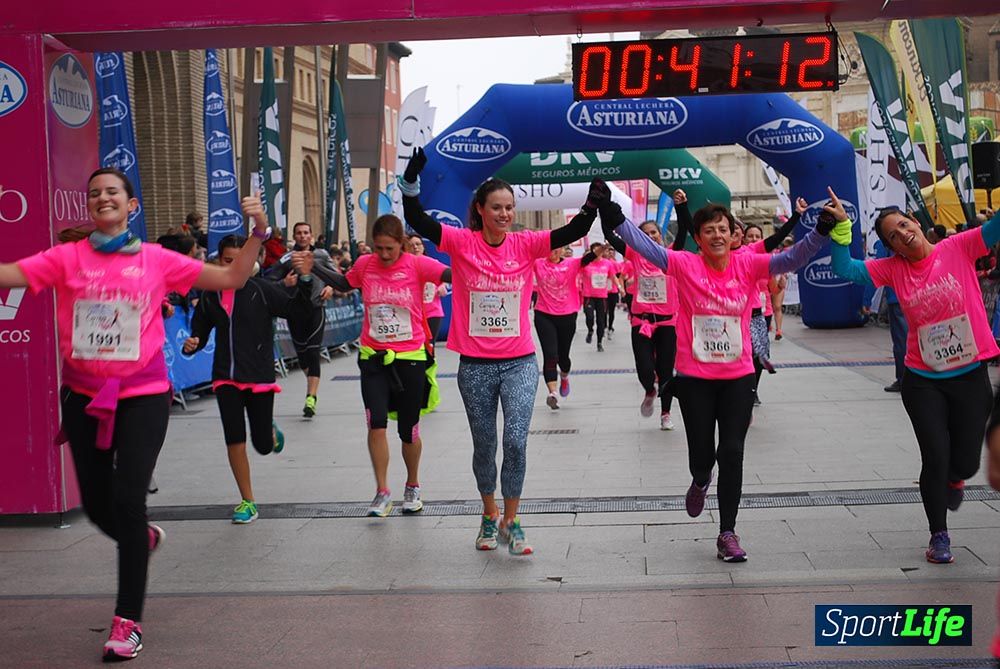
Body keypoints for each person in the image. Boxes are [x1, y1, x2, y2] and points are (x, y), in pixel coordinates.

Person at [0, 167, 270, 662]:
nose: (103, 198)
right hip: (82, 396)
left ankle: (127, 622)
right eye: (95, 193)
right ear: (89, 207)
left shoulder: (156, 260)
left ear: (131, 206)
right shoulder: (66, 259)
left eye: (113, 192)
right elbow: (10, 274)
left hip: (143, 395)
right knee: (101, 507)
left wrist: (258, 234)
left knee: (127, 501)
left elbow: (232, 276)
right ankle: (141, 539)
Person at [602, 194, 831, 562]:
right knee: (703, 457)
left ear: (733, 234)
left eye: (724, 229)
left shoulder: (748, 264)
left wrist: (820, 229)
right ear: (698, 236)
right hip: (694, 378)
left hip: (738, 376)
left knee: (733, 452)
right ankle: (699, 479)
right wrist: (614, 217)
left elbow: (792, 258)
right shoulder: (683, 263)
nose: (718, 235)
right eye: (709, 230)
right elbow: (644, 246)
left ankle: (727, 532)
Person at [400, 147, 601, 555]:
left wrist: (593, 205)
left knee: (515, 441)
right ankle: (489, 515)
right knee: (485, 445)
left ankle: (513, 520)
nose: (505, 214)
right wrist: (411, 180)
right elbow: (417, 220)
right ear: (480, 209)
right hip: (475, 365)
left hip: (519, 362)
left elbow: (570, 234)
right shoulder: (461, 242)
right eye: (497, 207)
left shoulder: (527, 244)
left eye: (509, 207)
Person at [828, 192, 1000, 564]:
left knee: (967, 463)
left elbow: (996, 228)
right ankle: (939, 534)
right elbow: (845, 269)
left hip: (971, 375)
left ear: (916, 223)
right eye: (893, 235)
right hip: (923, 379)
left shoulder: (958, 247)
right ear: (890, 247)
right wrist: (843, 226)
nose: (902, 234)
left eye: (904, 225)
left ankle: (956, 478)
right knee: (934, 456)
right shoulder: (891, 269)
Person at [183, 235, 315, 524]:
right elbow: (200, 330)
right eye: (226, 261)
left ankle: (267, 430)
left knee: (262, 446)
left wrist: (306, 282)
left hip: (258, 376)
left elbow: (297, 311)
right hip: (225, 378)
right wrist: (193, 342)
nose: (232, 266)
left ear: (250, 262)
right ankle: (247, 501)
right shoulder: (210, 294)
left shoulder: (262, 290)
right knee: (234, 439)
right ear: (218, 261)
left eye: (237, 261)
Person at [603, 189, 690, 430]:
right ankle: (649, 390)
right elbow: (611, 237)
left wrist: (680, 206)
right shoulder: (634, 254)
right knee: (644, 369)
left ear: (661, 237)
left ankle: (665, 413)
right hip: (640, 322)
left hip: (666, 323)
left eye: (654, 233)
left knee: (666, 369)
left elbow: (683, 232)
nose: (650, 236)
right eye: (645, 234)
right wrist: (603, 211)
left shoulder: (672, 255)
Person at [265, 222, 339, 418]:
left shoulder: (321, 255)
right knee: (303, 356)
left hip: (316, 308)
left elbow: (337, 276)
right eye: (299, 233)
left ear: (311, 235)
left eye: (306, 232)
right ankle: (311, 384)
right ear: (294, 236)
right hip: (295, 312)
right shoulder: (287, 258)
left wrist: (330, 288)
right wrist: (284, 283)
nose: (303, 236)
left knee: (314, 352)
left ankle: (311, 397)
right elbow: (268, 282)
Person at [533, 245, 599, 409]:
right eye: (550, 249)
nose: (553, 252)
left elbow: (589, 258)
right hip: (544, 314)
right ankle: (553, 393)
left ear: (563, 250)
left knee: (563, 357)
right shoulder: (538, 263)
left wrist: (603, 247)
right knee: (550, 355)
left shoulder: (572, 263)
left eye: (557, 249)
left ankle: (564, 376)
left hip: (567, 315)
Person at [407, 233, 449, 341]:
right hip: (413, 314)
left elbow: (447, 276)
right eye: (411, 245)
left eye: (418, 244)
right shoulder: (404, 267)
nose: (415, 247)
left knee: (430, 345)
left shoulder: (432, 263)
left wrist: (443, 286)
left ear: (423, 246)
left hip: (432, 312)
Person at [580, 241, 620, 352]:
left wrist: (620, 288)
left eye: (600, 250)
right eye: (595, 250)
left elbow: (613, 277)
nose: (598, 252)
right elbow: (577, 275)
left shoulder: (608, 264)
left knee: (601, 320)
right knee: (589, 317)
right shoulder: (586, 264)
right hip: (588, 295)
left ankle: (599, 342)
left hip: (602, 296)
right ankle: (590, 330)